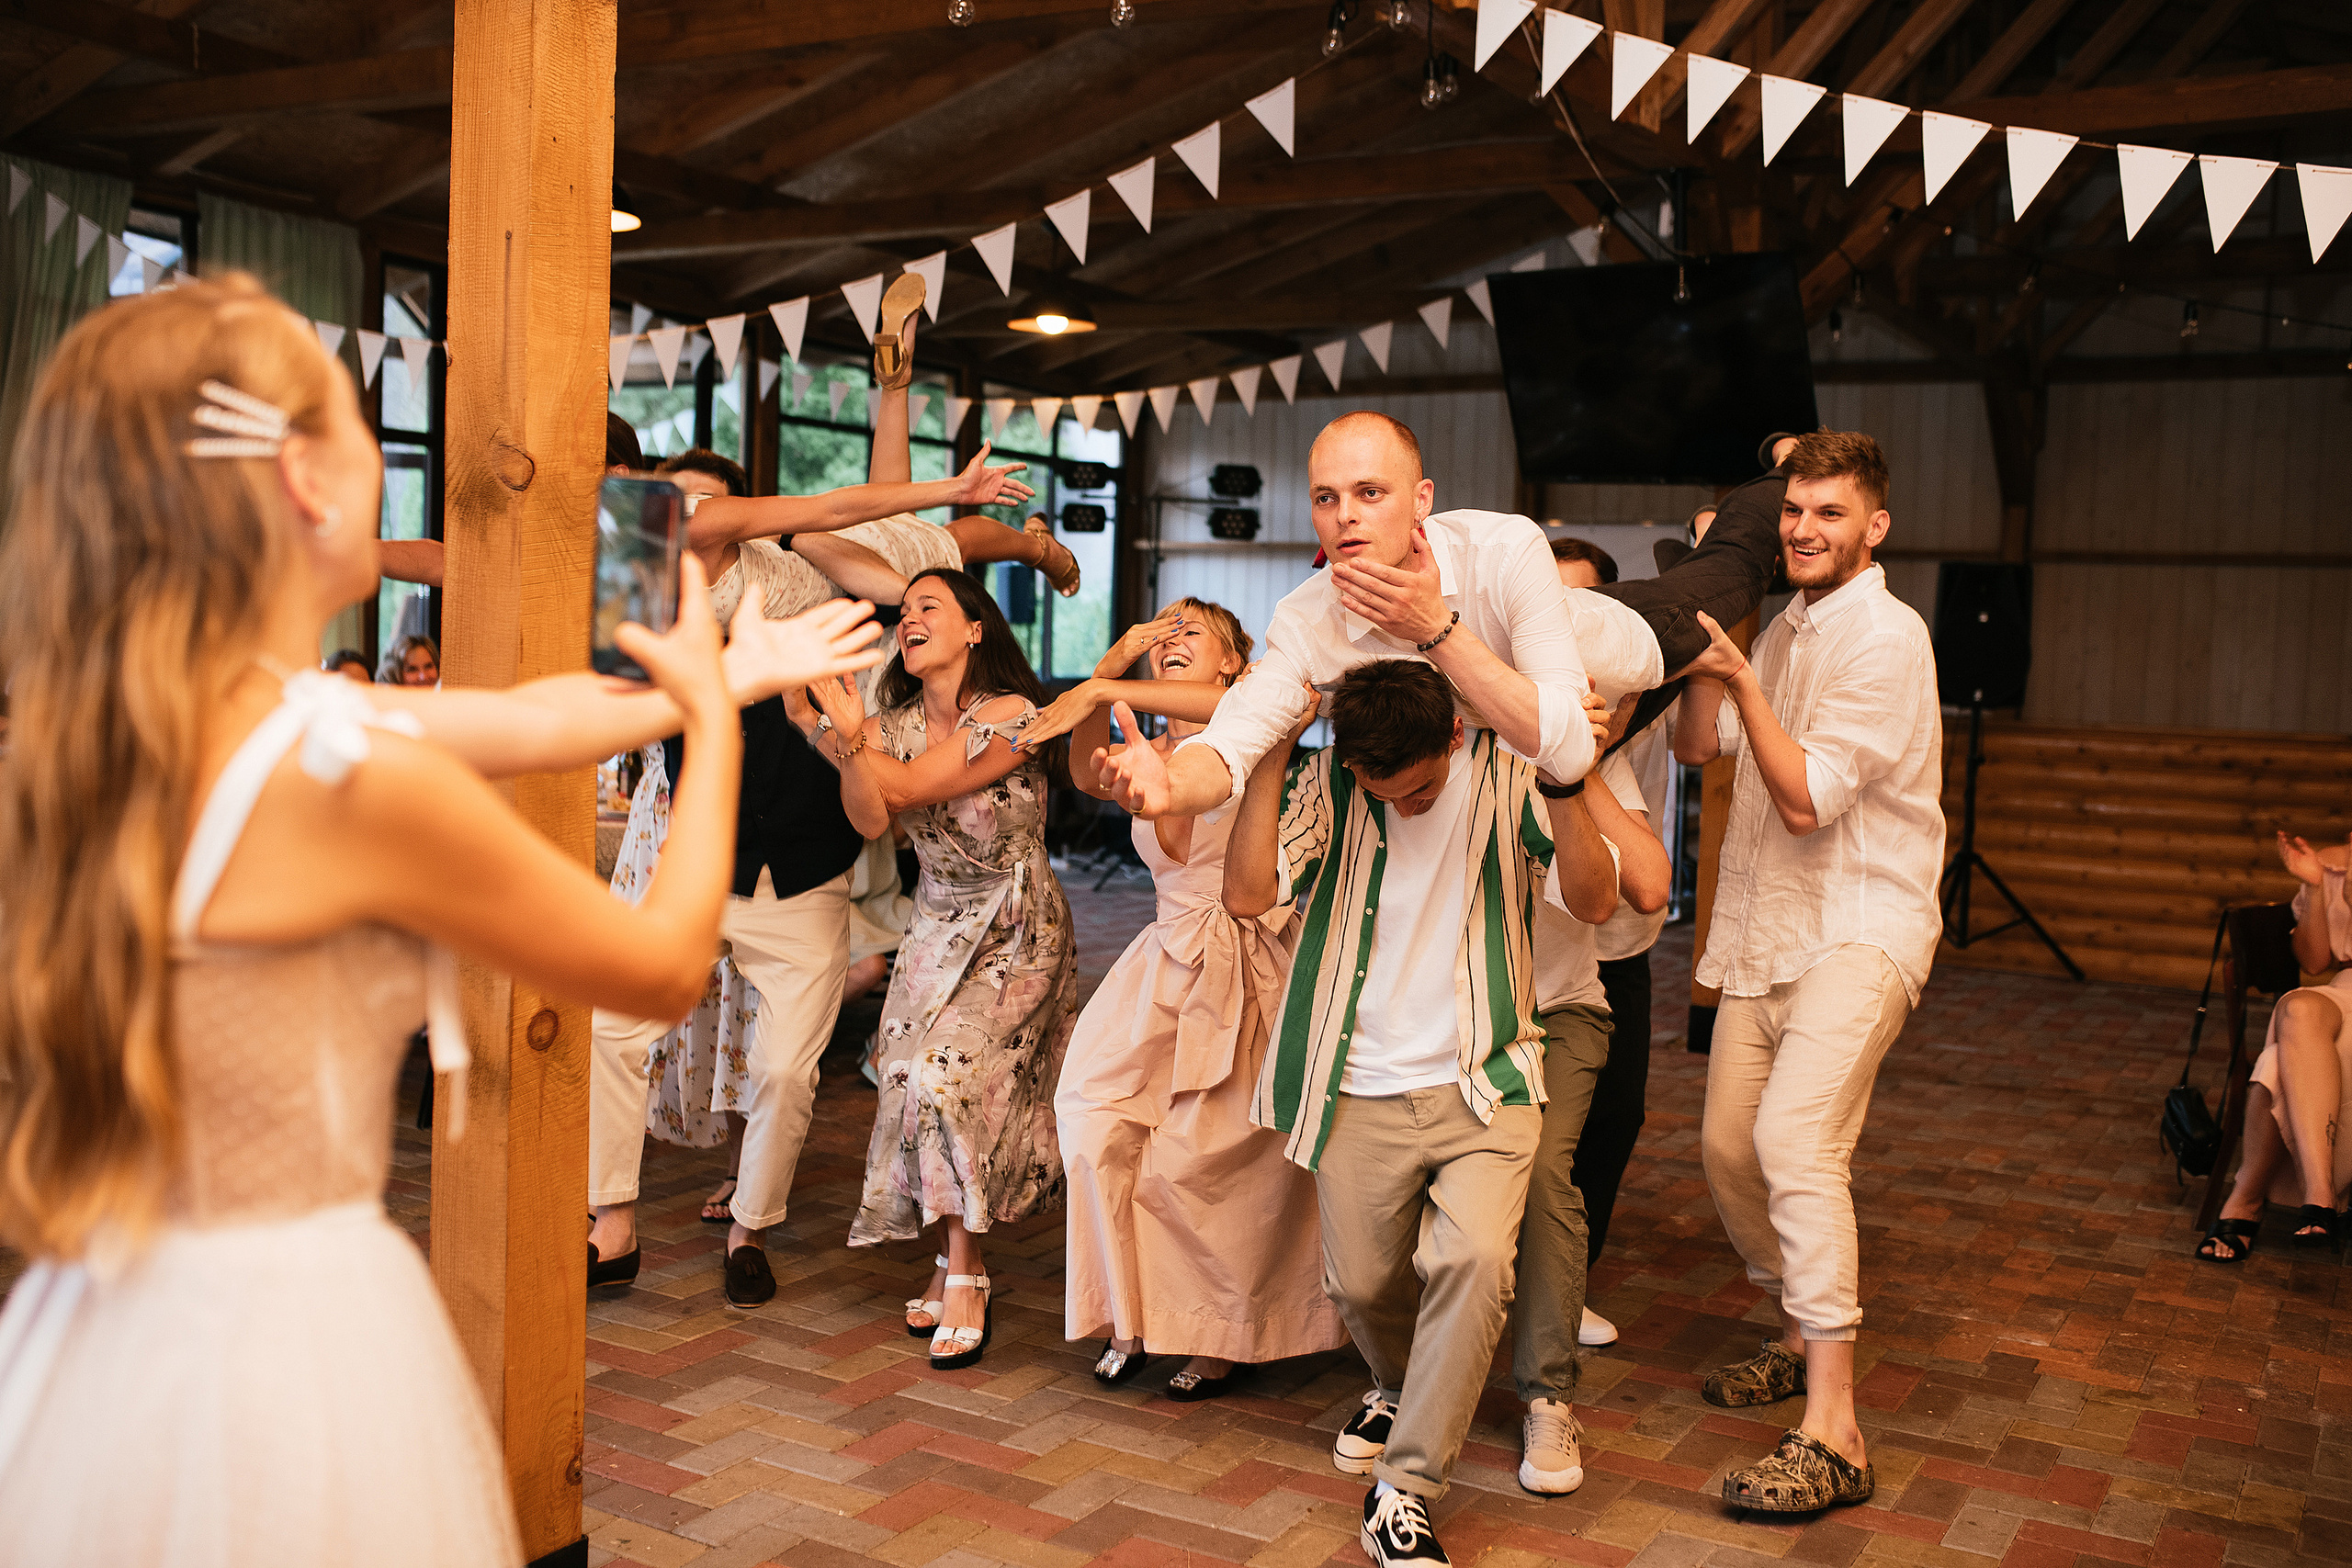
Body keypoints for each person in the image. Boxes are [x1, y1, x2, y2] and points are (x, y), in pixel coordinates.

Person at [0, 275, 881, 1565]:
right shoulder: (343, 773)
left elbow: (528, 722)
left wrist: (738, 668)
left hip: (106, 1327)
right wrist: (708, 720)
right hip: (280, 1358)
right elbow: (656, 967)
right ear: (308, 479)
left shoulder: (113, 739)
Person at [583, 283, 1042, 1311]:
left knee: (789, 1074)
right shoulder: (626, 568)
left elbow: (843, 512)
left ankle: (750, 1230)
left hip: (801, 856)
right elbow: (623, 686)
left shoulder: (750, 553)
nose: (660, 506)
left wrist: (952, 486)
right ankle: (608, 1224)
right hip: (700, 855)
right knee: (610, 1028)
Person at [1222, 659, 1617, 1568]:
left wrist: (1569, 773)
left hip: (1487, 1077)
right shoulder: (1327, 780)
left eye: (1422, 788)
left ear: (1452, 736)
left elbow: (1595, 899)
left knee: (1474, 1259)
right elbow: (1246, 896)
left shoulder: (1510, 771)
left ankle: (1404, 1490)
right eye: (1381, 789)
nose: (1404, 805)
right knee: (1359, 1286)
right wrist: (1275, 754)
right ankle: (1400, 1383)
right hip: (1353, 1080)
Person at [1671, 429, 1943, 1515]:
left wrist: (1740, 673)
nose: (1802, 529)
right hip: (1766, 926)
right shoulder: (1777, 623)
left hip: (1861, 925)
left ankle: (1835, 1432)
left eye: (1828, 513)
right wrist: (1712, 635)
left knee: (1793, 1143)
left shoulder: (1886, 637)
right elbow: (1698, 748)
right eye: (1792, 511)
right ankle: (1795, 1327)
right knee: (1726, 1146)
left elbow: (1800, 797)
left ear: (1873, 526)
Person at [1095, 411, 1788, 820]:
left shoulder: (1504, 546)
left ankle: (1777, 470)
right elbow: (1238, 734)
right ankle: (1692, 549)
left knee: (1733, 572)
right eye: (1327, 498)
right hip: (1580, 715)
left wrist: (1435, 628)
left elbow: (1575, 754)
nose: (1347, 517)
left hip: (1629, 641)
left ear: (1422, 498)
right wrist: (1172, 783)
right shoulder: (1307, 618)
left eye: (1370, 492)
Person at [1047, 600, 1350, 1400]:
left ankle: (1220, 1334)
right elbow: (1084, 771)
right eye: (1163, 633)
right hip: (1164, 962)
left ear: (1233, 663)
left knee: (1202, 1159)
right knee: (1092, 1120)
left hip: (1243, 966)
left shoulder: (1242, 725)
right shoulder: (1149, 741)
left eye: (1192, 632)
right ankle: (1128, 1314)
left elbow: (1233, 714)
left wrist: (1106, 691)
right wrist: (1103, 673)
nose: (1171, 640)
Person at [798, 568, 1073, 1371]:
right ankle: (955, 1253)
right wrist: (843, 734)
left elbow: (916, 784)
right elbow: (872, 814)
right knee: (908, 1075)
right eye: (904, 610)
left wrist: (835, 735)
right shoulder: (890, 723)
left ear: (975, 628)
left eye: (930, 607)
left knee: (948, 1074)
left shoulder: (1013, 714)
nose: (909, 620)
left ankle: (969, 1270)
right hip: (936, 920)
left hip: (1016, 925)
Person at [1546, 537, 1678, 1351]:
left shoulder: (1632, 698)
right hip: (1528, 967)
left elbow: (1651, 882)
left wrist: (1586, 755)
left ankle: (1566, 1278)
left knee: (1613, 1116)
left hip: (1616, 949)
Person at [2199, 830, 2352, 1259]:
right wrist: (2316, 885)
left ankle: (2246, 1197)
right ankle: (2320, 1195)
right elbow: (2314, 961)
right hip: (2347, 985)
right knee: (2299, 1009)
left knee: (2276, 1061)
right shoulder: (2334, 865)